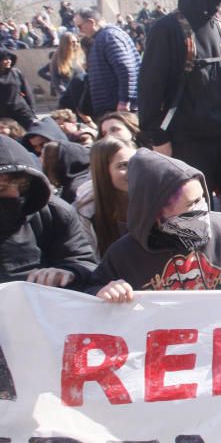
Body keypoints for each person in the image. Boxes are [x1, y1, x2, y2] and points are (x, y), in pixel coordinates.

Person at [87, 149, 221, 301]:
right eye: (191, 204)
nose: (202, 208)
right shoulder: (124, 255)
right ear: (156, 214)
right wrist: (105, 290)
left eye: (202, 199)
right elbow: (89, 291)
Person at [138, 0, 221, 221]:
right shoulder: (167, 29)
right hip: (187, 139)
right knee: (195, 213)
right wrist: (157, 138)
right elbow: (150, 89)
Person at [0, 134, 97, 286]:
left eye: (23, 186)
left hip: (42, 304)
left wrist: (70, 272)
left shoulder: (55, 213)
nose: (15, 195)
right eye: (2, 188)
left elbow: (84, 262)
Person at [74, 136, 134, 257]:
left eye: (136, 163)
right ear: (103, 171)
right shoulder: (86, 211)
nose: (133, 170)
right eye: (123, 165)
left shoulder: (157, 196)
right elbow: (89, 261)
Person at [74, 8, 139, 118]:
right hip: (112, 105)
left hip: (118, 107)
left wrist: (125, 100)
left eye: (80, 26)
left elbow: (125, 68)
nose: (79, 31)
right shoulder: (103, 37)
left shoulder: (109, 37)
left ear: (91, 22)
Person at [38, 32, 85, 98]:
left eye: (77, 41)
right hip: (70, 95)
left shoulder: (80, 55)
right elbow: (57, 82)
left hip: (84, 92)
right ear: (65, 44)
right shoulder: (57, 60)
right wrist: (66, 95)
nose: (76, 44)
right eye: (73, 42)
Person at [0, 49, 35, 129]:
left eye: (9, 59)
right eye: (5, 59)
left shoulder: (16, 73)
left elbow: (27, 93)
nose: (9, 61)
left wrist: (32, 110)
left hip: (21, 111)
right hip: (3, 115)